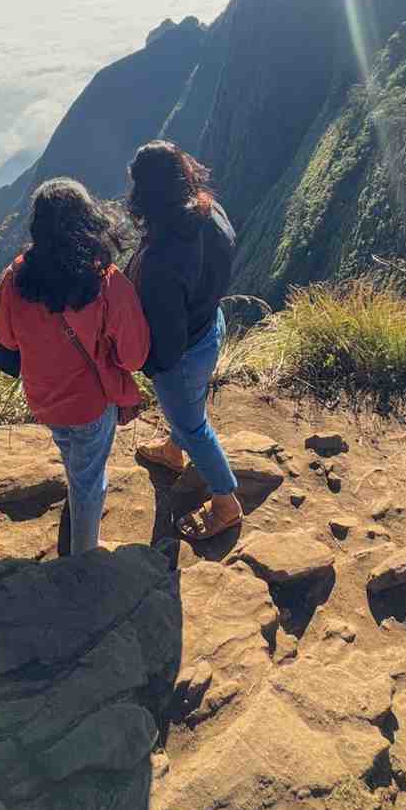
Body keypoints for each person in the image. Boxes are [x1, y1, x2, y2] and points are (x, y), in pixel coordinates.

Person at [0, 178, 150, 554]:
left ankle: (77, 504)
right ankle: (84, 556)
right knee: (89, 481)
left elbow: (8, 340)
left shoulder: (15, 278)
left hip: (44, 397)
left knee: (72, 456)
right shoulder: (105, 281)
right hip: (91, 404)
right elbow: (134, 356)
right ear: (87, 219)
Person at [126, 140, 243, 542]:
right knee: (186, 411)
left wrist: (150, 367)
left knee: (193, 424)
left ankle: (226, 502)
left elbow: (167, 340)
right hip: (211, 323)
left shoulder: (161, 258)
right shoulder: (211, 211)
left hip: (185, 351)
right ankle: (173, 453)